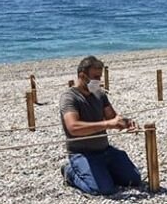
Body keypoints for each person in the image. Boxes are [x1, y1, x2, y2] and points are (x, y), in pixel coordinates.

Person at [59, 55, 142, 195]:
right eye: (95, 77)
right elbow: (73, 128)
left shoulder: (99, 94)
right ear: (82, 75)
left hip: (105, 150)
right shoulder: (69, 97)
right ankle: (70, 172)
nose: (98, 81)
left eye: (99, 77)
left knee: (134, 179)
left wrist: (128, 123)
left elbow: (113, 117)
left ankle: (102, 173)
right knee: (102, 189)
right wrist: (109, 124)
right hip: (82, 154)